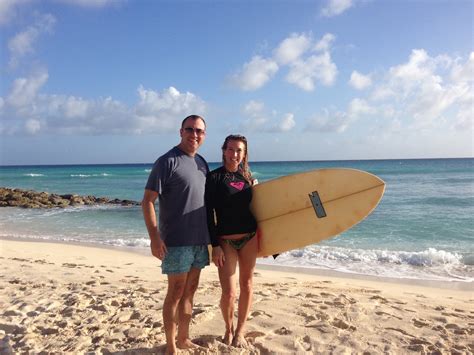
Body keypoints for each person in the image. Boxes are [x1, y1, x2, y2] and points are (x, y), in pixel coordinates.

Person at [142, 115, 210, 354]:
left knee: (190, 291)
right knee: (176, 291)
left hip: (200, 240)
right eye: (190, 129)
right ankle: (171, 345)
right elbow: (148, 201)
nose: (194, 134)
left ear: (204, 135)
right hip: (176, 241)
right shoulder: (166, 161)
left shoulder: (202, 163)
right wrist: (154, 237)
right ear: (181, 131)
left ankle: (183, 338)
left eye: (199, 131)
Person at [205, 134, 258, 348]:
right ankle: (228, 329)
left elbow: (260, 207)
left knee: (247, 285)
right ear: (224, 150)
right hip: (225, 240)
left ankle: (240, 331)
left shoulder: (247, 177)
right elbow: (208, 213)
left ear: (244, 153)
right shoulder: (214, 178)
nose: (234, 154)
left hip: (250, 238)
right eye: (231, 149)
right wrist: (214, 245)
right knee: (229, 292)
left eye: (239, 150)